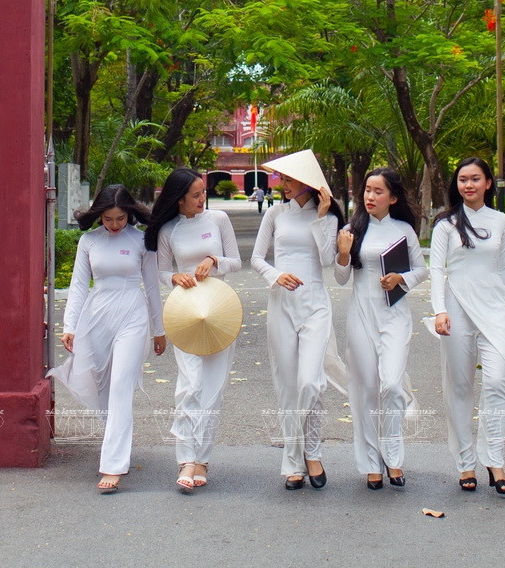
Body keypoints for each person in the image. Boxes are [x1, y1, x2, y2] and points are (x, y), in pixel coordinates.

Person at [47, 184, 167, 494]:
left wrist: (159, 328)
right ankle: (117, 437)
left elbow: (152, 286)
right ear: (99, 215)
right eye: (108, 219)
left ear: (130, 213)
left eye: (120, 219)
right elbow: (77, 286)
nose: (114, 225)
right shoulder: (89, 241)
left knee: (120, 386)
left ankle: (113, 464)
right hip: (96, 315)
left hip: (132, 315)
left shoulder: (141, 240)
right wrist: (69, 325)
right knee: (98, 382)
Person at [251, 150, 345, 490]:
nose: (283, 184)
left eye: (288, 179)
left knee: (311, 382)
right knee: (287, 383)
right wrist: (276, 276)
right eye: (283, 179)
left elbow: (326, 261)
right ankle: (294, 457)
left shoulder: (328, 218)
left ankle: (313, 450)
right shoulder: (276, 214)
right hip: (281, 302)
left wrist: (322, 217)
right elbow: (257, 258)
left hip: (315, 304)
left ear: (307, 182)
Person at [144, 168, 242, 492]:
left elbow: (236, 262)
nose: (203, 198)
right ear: (179, 198)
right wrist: (175, 277)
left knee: (212, 389)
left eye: (203, 193)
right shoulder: (169, 229)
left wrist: (215, 260)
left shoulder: (219, 220)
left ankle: (202, 459)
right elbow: (160, 272)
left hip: (219, 310)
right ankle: (186, 458)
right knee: (189, 385)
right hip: (185, 311)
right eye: (196, 194)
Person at [429, 157, 505, 495]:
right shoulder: (446, 225)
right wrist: (439, 310)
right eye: (463, 180)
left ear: (487, 183)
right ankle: (466, 462)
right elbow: (437, 270)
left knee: (496, 381)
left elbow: (502, 271)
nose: (468, 185)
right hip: (457, 309)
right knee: (461, 387)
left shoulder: (500, 221)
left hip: (494, 311)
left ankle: (494, 460)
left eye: (475, 179)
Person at [335, 168, 428, 490]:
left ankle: (394, 456)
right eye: (367, 190)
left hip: (394, 316)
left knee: (390, 385)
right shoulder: (351, 229)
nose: (370, 197)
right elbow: (341, 278)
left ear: (394, 197)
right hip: (361, 316)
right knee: (364, 391)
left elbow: (421, 269)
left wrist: (401, 278)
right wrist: (344, 254)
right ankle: (372, 464)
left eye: (378, 191)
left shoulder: (403, 230)